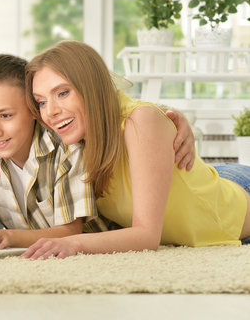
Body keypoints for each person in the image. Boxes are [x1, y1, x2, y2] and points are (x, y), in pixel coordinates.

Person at [21, 40, 250, 259]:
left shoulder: (140, 120)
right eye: (41, 102)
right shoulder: (72, 137)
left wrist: (73, 242)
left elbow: (147, 236)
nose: (50, 111)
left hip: (236, 196)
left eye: (62, 93)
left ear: (91, 86)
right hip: (199, 182)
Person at [0, 54, 105, 249]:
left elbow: (70, 231)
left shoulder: (67, 151)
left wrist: (10, 237)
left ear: (33, 110)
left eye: (5, 115)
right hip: (35, 256)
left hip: (88, 250)